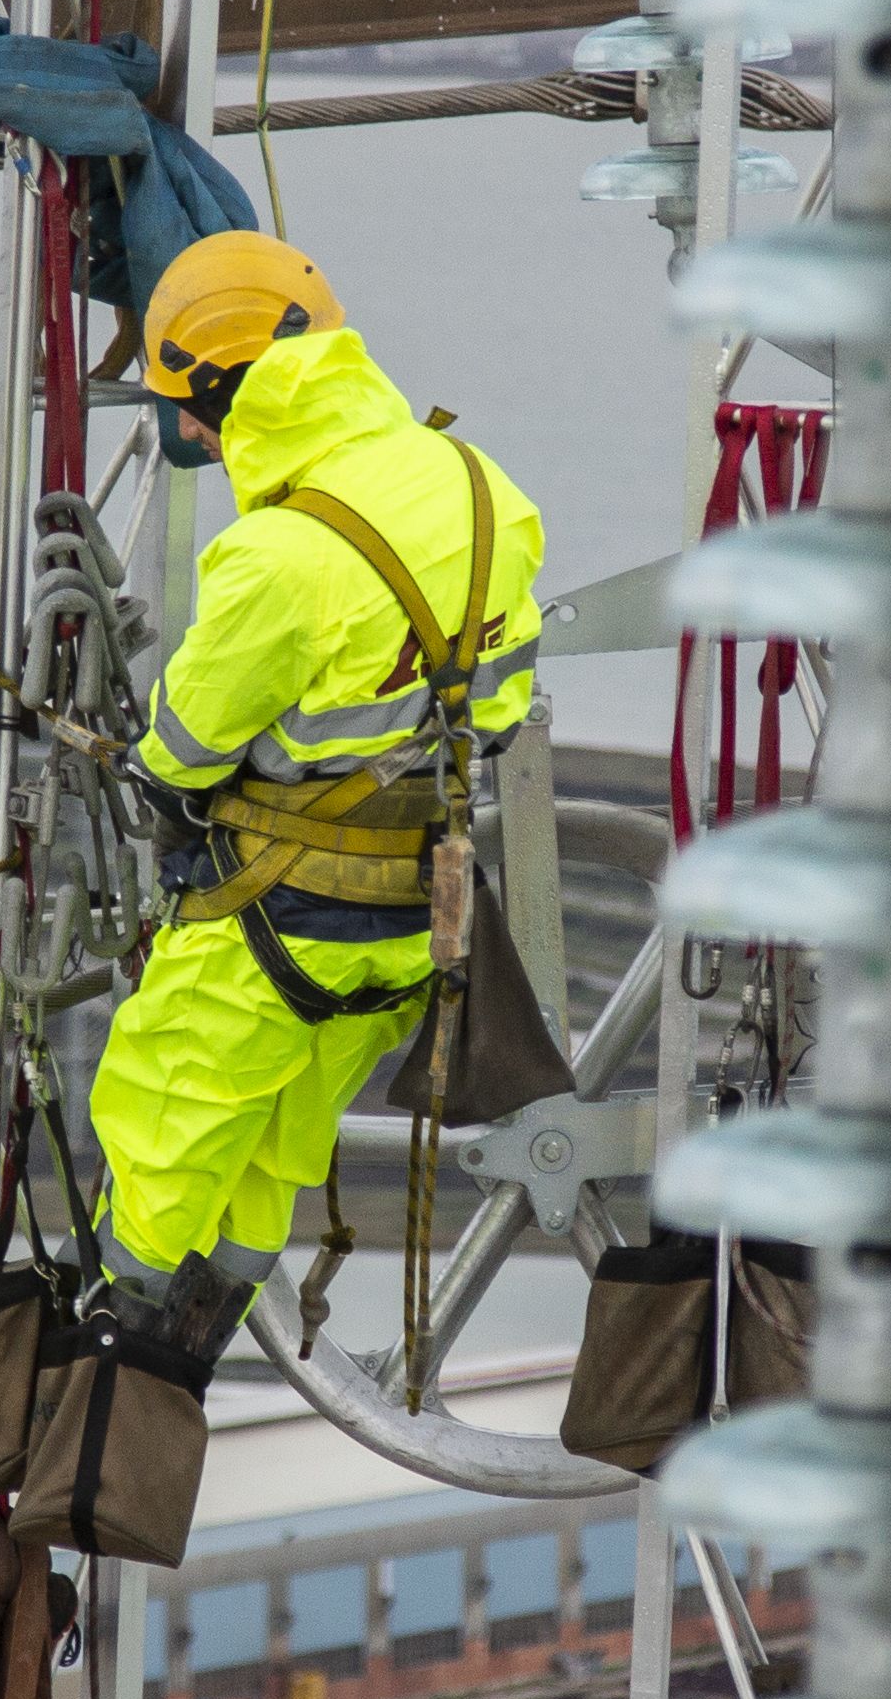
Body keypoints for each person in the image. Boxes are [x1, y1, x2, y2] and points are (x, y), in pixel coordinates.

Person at [80, 230, 544, 1436]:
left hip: (270, 925)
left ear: (225, 389)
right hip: (410, 929)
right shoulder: (485, 489)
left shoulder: (279, 554)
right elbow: (496, 706)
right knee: (272, 1156)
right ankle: (183, 1367)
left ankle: (100, 1388)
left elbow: (181, 750)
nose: (188, 437)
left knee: (158, 1130)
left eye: (188, 410)